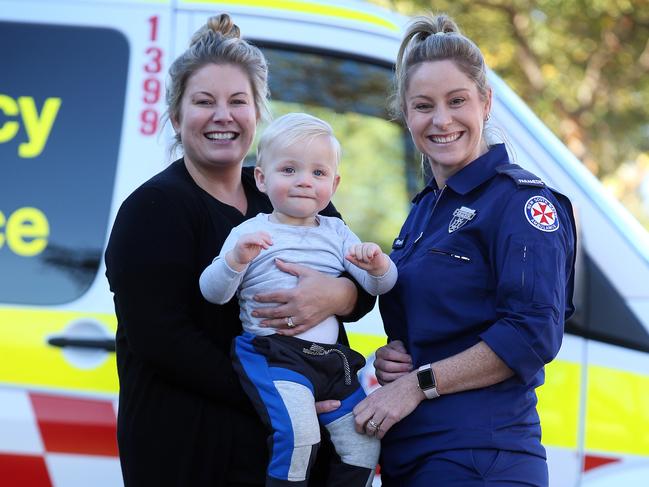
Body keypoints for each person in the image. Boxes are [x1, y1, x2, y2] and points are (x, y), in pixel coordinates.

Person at [104, 15, 375, 487]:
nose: (222, 116)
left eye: (238, 101)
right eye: (204, 102)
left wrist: (338, 296)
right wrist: (282, 395)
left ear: (257, 112)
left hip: (284, 444)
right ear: (176, 115)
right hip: (191, 451)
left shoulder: (288, 187)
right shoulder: (152, 210)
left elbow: (359, 281)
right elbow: (163, 340)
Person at [352, 13, 577, 487]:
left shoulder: (521, 203)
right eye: (423, 106)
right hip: (415, 454)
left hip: (481, 457)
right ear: (406, 114)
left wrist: (418, 383)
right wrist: (396, 359)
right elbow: (438, 327)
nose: (441, 120)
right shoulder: (424, 211)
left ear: (486, 102)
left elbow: (533, 333)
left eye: (457, 101)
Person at [199, 112, 395, 487]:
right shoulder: (250, 232)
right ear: (262, 177)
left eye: (318, 174)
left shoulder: (338, 232)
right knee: (300, 437)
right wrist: (234, 261)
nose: (305, 181)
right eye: (289, 170)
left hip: (332, 363)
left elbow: (379, 287)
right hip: (274, 354)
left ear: (334, 184)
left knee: (364, 442)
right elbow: (213, 292)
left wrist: (378, 265)